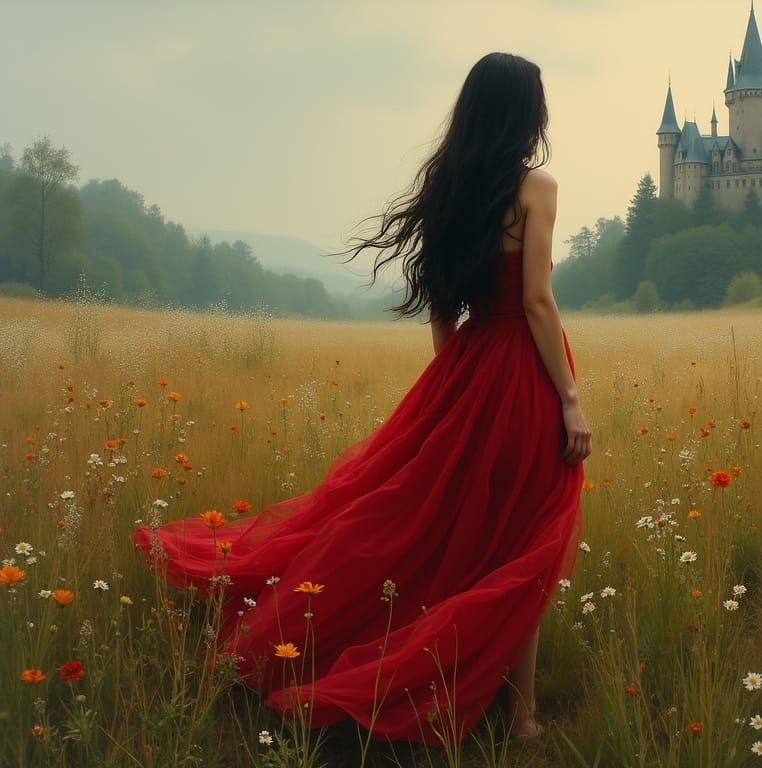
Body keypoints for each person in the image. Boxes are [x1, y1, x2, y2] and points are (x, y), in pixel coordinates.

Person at [133, 50, 591, 746]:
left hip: (467, 370)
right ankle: (520, 713)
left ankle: (493, 692)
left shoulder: (449, 190)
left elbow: (443, 307)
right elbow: (535, 299)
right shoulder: (538, 186)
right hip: (524, 377)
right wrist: (571, 399)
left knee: (426, 530)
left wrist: (454, 390)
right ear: (527, 112)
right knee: (525, 540)